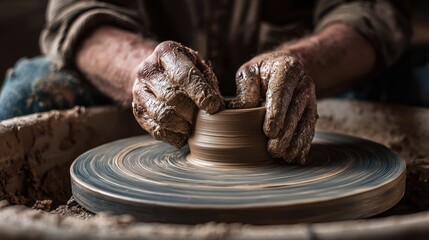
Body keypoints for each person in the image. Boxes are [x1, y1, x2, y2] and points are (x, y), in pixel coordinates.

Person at [0, 0, 410, 164]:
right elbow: (77, 14)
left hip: (313, 86)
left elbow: (371, 13)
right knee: (26, 97)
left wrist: (302, 61)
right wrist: (141, 68)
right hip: (142, 83)